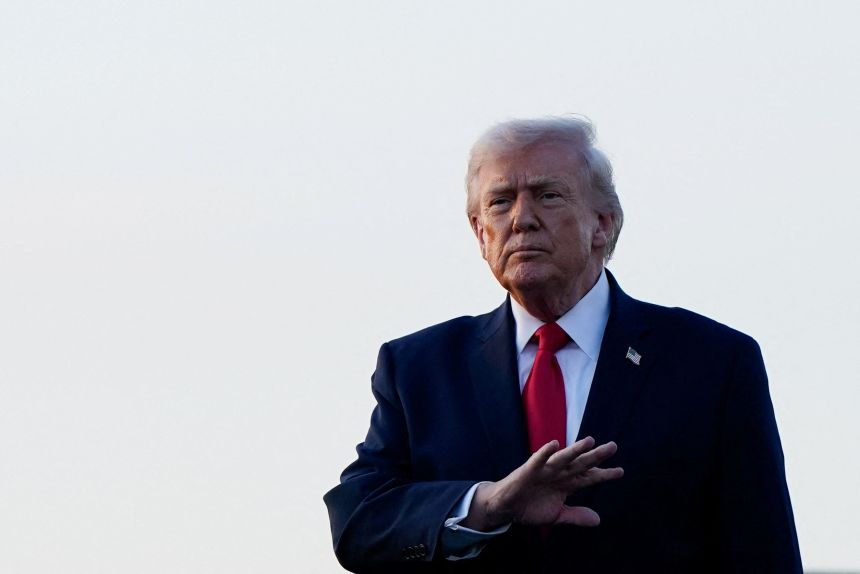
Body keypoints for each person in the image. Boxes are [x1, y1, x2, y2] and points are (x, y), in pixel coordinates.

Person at [323, 117, 802, 573]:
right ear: (479, 232)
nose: (522, 218)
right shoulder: (419, 367)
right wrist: (487, 503)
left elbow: (762, 551)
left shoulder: (710, 362)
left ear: (603, 223)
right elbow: (359, 522)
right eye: (500, 202)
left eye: (548, 195)